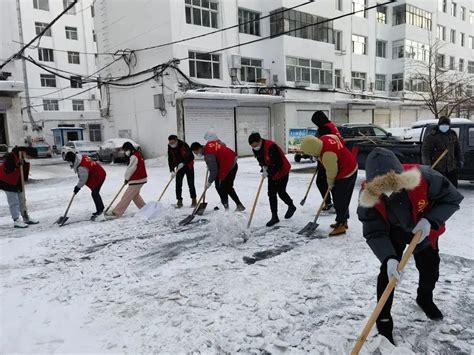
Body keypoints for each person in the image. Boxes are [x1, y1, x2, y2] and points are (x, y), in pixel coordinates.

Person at [357, 147, 463, 345]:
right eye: (382, 188)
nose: (388, 191)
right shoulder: (368, 196)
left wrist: (431, 221)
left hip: (421, 227)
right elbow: (374, 230)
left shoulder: (425, 177)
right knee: (388, 275)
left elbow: (453, 199)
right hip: (392, 231)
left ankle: (425, 298)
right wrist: (388, 258)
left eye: (393, 185)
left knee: (430, 267)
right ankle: (383, 317)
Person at [301, 134, 358, 236]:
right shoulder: (325, 138)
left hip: (346, 171)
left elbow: (332, 171)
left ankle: (341, 224)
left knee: (339, 198)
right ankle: (343, 221)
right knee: (342, 197)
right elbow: (338, 139)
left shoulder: (327, 154)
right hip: (349, 162)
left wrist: (330, 184)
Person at [248, 132, 296, 227]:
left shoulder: (271, 146)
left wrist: (269, 171)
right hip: (271, 171)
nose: (254, 148)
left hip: (282, 170)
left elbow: (278, 163)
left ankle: (291, 206)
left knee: (281, 192)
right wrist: (263, 167)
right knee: (271, 193)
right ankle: (274, 216)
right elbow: (260, 159)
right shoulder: (256, 149)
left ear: (260, 141)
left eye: (255, 145)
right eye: (252, 146)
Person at [190, 132, 245, 212]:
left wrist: (209, 182)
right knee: (224, 186)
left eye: (195, 152)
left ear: (198, 149)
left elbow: (214, 171)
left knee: (221, 186)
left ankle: (227, 206)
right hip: (231, 161)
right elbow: (222, 144)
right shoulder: (209, 145)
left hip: (229, 166)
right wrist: (212, 164)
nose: (196, 154)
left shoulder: (208, 153)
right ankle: (236, 205)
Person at [311, 111, 345, 212]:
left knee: (325, 182)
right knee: (328, 182)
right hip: (336, 155)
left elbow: (323, 144)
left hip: (330, 156)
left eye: (315, 122)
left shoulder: (325, 128)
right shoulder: (330, 125)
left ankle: (333, 204)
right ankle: (334, 203)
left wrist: (320, 158)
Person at [105, 142, 147, 218]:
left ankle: (117, 213)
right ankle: (145, 209)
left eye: (125, 150)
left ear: (129, 149)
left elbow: (131, 169)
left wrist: (126, 179)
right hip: (140, 179)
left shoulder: (134, 156)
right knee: (135, 196)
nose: (125, 152)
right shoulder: (138, 154)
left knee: (126, 196)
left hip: (137, 179)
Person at [0, 146, 38, 228]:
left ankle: (25, 217)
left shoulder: (23, 159)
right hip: (7, 181)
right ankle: (16, 220)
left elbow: (24, 173)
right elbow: (8, 170)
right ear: (25, 153)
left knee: (22, 199)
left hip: (17, 181)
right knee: (14, 201)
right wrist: (17, 165)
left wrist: (24, 179)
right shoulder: (11, 156)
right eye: (29, 157)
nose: (29, 158)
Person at [421, 116, 463, 187]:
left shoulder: (452, 135)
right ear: (439, 125)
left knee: (452, 188)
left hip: (451, 168)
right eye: (442, 125)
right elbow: (425, 152)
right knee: (438, 188)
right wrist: (427, 165)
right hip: (437, 169)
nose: (444, 126)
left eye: (446, 125)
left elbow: (458, 150)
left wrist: (460, 160)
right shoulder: (432, 136)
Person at [65, 151, 107, 221]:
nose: (69, 163)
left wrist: (77, 187)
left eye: (69, 161)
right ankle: (100, 209)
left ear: (72, 159)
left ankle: (100, 210)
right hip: (97, 173)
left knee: (95, 193)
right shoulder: (80, 158)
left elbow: (83, 179)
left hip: (99, 175)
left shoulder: (81, 166)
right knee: (95, 193)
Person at [168, 135, 197, 208]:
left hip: (188, 166)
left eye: (173, 142)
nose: (172, 144)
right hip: (179, 168)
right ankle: (179, 200)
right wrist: (172, 170)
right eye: (170, 143)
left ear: (176, 140)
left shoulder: (184, 145)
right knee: (178, 184)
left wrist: (184, 163)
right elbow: (170, 159)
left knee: (191, 184)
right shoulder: (170, 147)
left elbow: (191, 156)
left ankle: (194, 199)